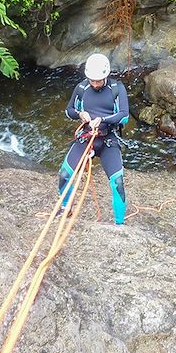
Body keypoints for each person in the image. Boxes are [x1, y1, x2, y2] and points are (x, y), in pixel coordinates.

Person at [57, 53, 129, 225]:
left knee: (117, 182)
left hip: (108, 139)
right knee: (64, 174)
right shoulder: (82, 88)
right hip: (86, 136)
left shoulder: (116, 88)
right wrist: (80, 114)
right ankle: (65, 209)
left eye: (99, 80)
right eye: (92, 80)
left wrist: (103, 120)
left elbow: (124, 116)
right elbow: (69, 111)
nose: (95, 84)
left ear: (106, 76)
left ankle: (120, 224)